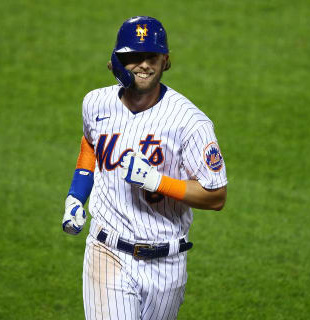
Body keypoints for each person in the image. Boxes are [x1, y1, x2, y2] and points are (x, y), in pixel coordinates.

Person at [62, 16, 228, 320]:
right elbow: (90, 142)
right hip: (107, 252)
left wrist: (157, 181)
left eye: (151, 56)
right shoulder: (95, 103)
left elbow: (216, 196)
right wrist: (76, 195)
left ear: (165, 61)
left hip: (167, 265)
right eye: (133, 57)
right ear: (115, 62)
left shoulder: (190, 123)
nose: (143, 65)